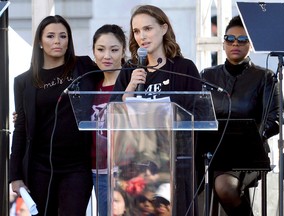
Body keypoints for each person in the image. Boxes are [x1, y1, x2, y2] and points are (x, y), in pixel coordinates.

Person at [111, 4, 202, 215]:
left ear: (163, 28)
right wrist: (131, 88)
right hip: (135, 166)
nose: (142, 36)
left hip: (175, 165)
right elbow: (112, 115)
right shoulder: (129, 71)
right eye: (136, 31)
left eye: (148, 29)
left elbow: (197, 113)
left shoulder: (184, 68)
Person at [9, 15, 99, 216]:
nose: (57, 41)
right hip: (39, 167)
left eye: (63, 36)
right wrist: (14, 175)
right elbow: (21, 129)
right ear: (40, 42)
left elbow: (113, 77)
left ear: (69, 41)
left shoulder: (84, 67)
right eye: (50, 36)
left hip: (77, 166)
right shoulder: (23, 82)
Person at [198, 15, 279, 215]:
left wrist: (254, 135)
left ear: (250, 45)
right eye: (230, 39)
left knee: (225, 186)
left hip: (249, 155)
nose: (235, 43)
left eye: (242, 40)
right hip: (212, 151)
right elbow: (197, 112)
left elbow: (275, 117)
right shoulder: (207, 75)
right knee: (187, 179)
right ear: (223, 43)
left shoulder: (265, 77)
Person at [90, 24, 126, 216]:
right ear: (93, 52)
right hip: (96, 170)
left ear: (123, 51)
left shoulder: (131, 85)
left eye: (114, 50)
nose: (107, 56)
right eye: (101, 49)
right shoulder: (90, 85)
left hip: (125, 170)